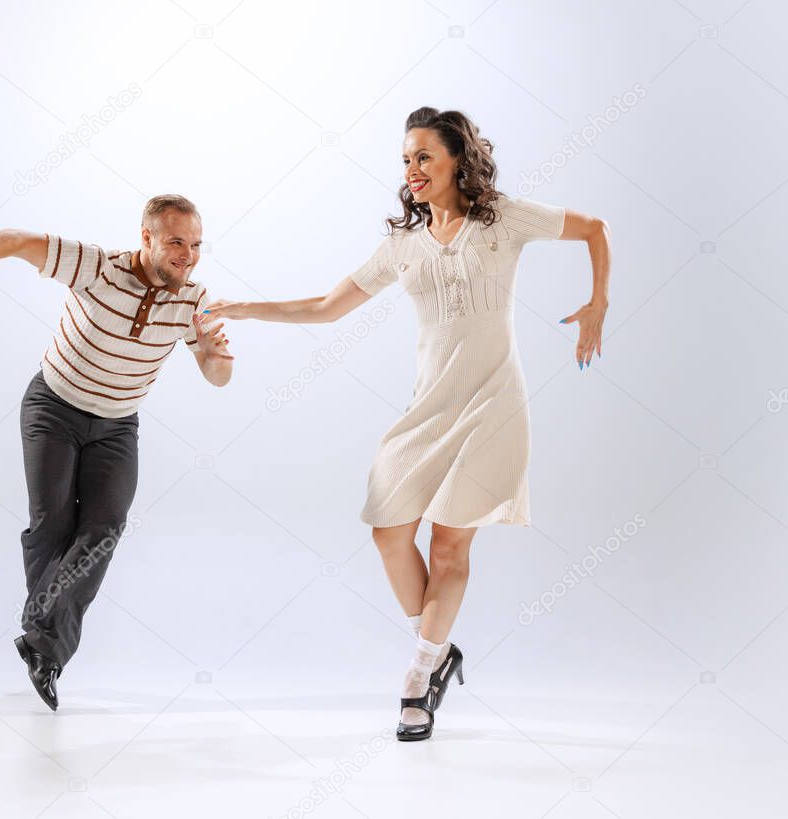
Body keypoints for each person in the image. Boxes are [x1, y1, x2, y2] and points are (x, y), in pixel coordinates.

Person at [204, 108, 611, 741]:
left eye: (423, 156)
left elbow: (595, 228)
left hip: (493, 406)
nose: (412, 170)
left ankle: (418, 680)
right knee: (390, 530)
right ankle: (440, 647)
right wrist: (250, 309)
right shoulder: (402, 244)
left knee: (451, 546)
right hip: (428, 410)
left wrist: (597, 305)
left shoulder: (503, 219)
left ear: (456, 159)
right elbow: (326, 306)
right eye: (405, 160)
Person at [0, 194, 234, 711]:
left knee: (102, 531)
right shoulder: (97, 266)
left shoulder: (194, 299)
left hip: (118, 427)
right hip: (55, 407)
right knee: (52, 527)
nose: (187, 255)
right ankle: (46, 644)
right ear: (146, 238)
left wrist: (215, 355)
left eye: (195, 245)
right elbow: (20, 242)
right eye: (175, 243)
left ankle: (41, 644)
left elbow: (218, 376)